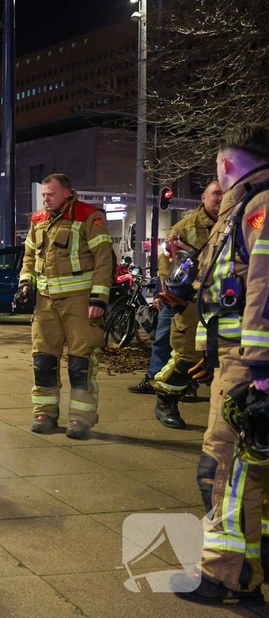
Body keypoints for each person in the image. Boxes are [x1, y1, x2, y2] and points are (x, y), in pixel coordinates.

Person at [170, 124, 269, 606]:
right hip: (238, 361)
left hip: (246, 367)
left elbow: (264, 294)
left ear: (227, 165)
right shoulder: (246, 207)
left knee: (224, 469)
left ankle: (221, 576)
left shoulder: (258, 208)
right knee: (247, 473)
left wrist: (261, 372)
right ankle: (247, 572)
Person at [18, 173, 113, 440]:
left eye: (51, 194)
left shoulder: (89, 216)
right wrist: (25, 284)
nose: (45, 199)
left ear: (67, 193)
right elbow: (28, 257)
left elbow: (104, 261)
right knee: (44, 360)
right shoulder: (38, 220)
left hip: (80, 303)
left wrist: (98, 299)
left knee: (80, 363)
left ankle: (81, 419)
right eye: (44, 195)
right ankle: (44, 413)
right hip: (45, 303)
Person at [148, 181, 223, 429]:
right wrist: (168, 297)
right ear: (203, 197)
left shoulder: (234, 224)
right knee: (187, 357)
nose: (220, 198)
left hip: (224, 306)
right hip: (191, 306)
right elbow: (166, 265)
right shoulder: (185, 228)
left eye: (225, 193)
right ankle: (165, 401)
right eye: (216, 193)